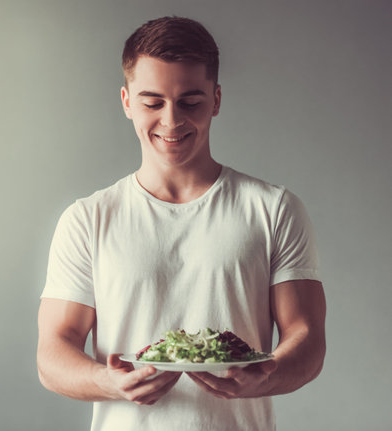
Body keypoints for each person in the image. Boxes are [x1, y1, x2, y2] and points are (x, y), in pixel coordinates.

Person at [37, 16, 326, 431]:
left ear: (217, 99)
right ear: (126, 101)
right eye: (152, 102)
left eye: (190, 102)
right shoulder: (88, 219)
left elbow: (307, 339)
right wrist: (111, 382)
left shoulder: (274, 209)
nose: (171, 121)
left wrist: (263, 377)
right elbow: (53, 354)